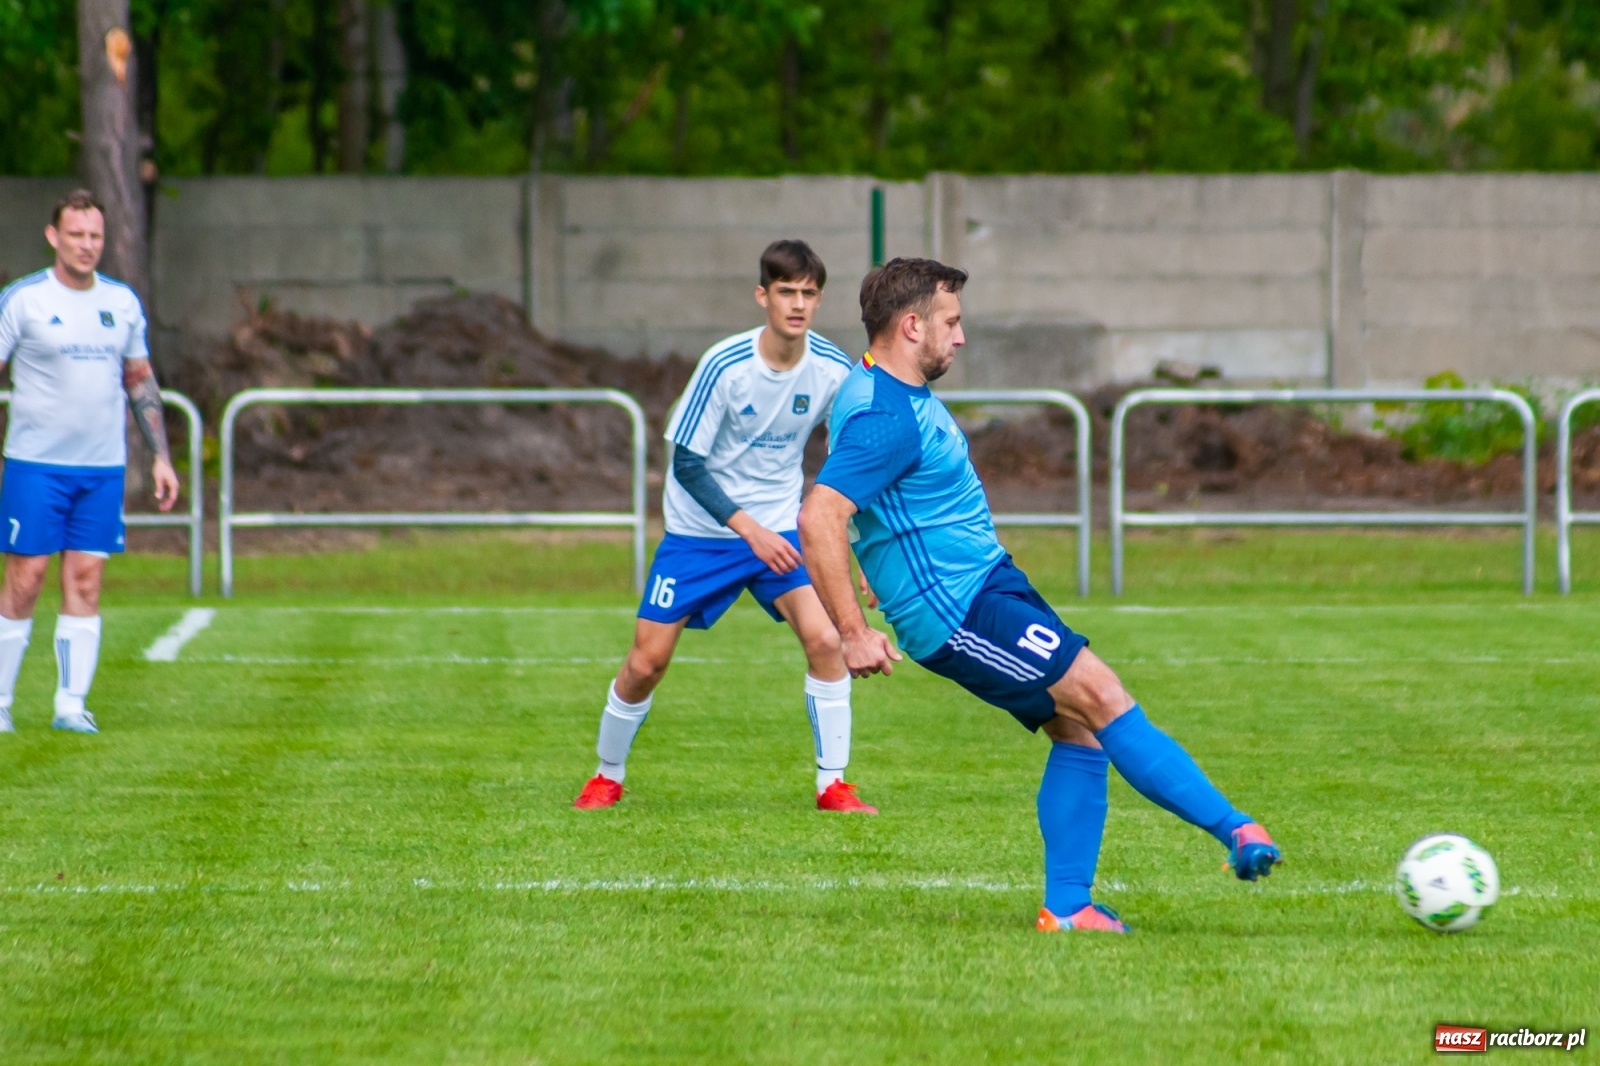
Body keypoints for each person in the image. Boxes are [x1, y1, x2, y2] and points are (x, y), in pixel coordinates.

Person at [797, 257, 1281, 931]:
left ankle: (1069, 906)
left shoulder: (877, 389)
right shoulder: (886, 414)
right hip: (960, 608)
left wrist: (878, 561)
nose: (961, 338)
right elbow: (821, 514)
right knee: (1103, 695)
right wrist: (851, 631)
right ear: (912, 326)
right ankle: (1238, 830)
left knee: (1078, 728)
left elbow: (874, 501)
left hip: (985, 584)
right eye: (951, 322)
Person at [573, 239, 876, 813]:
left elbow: (849, 465)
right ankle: (606, 774)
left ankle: (832, 784)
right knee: (645, 663)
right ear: (762, 296)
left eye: (809, 293)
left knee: (826, 639)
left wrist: (857, 552)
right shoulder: (725, 365)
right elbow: (686, 464)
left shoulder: (833, 368)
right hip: (700, 535)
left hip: (781, 531)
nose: (798, 304)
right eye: (786, 291)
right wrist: (749, 531)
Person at [0, 189, 181, 735]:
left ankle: (70, 705)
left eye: (95, 236)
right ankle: (1, 702)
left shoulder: (122, 303)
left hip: (101, 469)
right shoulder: (23, 300)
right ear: (54, 237)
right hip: (34, 466)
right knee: (26, 579)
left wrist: (161, 459)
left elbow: (139, 380)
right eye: (76, 234)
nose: (86, 245)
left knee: (87, 580)